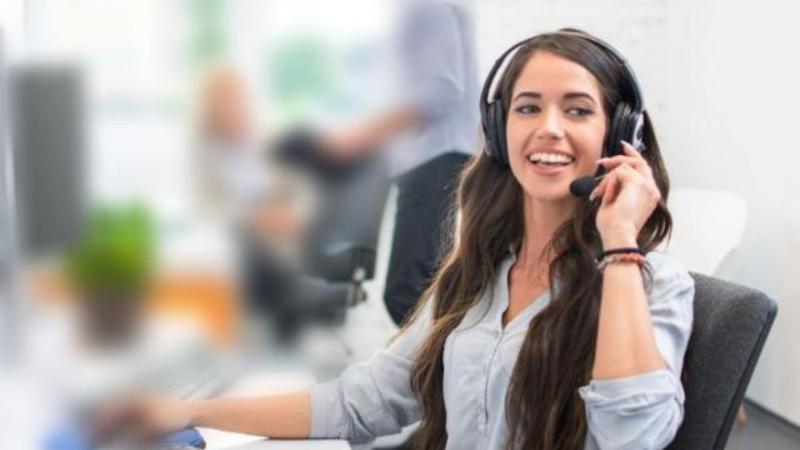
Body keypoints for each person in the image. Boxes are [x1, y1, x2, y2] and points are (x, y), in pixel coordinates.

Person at [97, 30, 694, 450]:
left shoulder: (652, 286)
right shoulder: (477, 275)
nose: (549, 129)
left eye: (579, 110)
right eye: (528, 107)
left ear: (619, 134)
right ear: (496, 127)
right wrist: (190, 410)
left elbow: (633, 437)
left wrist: (619, 246)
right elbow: (366, 401)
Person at [319, 0, 479, 325]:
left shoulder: (427, 7)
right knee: (421, 290)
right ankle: (437, 370)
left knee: (410, 293)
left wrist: (363, 135)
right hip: (422, 156)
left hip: (436, 153)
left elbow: (441, 88)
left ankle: (447, 371)